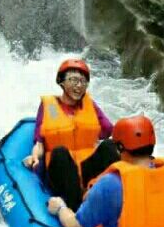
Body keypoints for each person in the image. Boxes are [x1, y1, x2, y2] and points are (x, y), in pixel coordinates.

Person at [47, 115, 164, 227]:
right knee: (106, 147)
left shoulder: (109, 185)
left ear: (120, 147)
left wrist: (60, 208)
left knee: (61, 155)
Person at [24, 59, 119, 211]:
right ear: (61, 82)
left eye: (83, 81)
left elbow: (107, 130)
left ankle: (117, 199)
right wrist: (35, 157)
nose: (79, 85)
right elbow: (39, 143)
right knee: (60, 152)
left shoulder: (89, 105)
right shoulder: (49, 106)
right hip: (60, 172)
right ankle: (76, 209)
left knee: (109, 145)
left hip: (87, 172)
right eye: (74, 80)